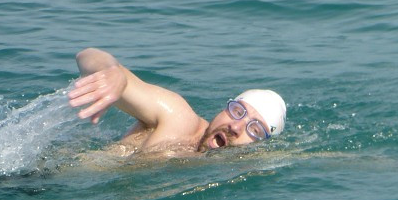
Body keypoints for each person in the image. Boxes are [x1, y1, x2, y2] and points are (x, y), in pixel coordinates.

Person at [68, 48, 286, 155]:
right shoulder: (177, 117)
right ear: (224, 108)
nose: (236, 126)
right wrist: (111, 72)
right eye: (237, 111)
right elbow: (85, 56)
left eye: (254, 129)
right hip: (46, 177)